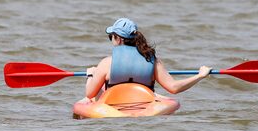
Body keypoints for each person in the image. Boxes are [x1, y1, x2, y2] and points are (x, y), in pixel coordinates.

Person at [82, 17, 211, 102]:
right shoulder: (151, 60)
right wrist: (200, 76)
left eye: (111, 36)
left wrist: (91, 75)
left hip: (113, 105)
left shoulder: (106, 63)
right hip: (143, 103)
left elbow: (90, 94)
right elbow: (174, 88)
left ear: (119, 39)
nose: (111, 40)